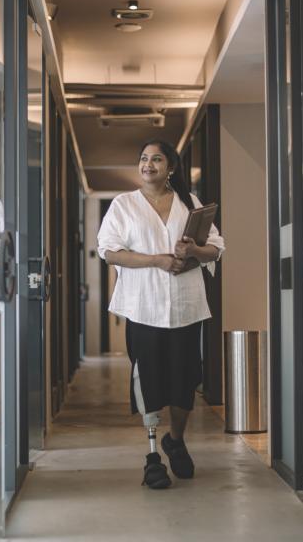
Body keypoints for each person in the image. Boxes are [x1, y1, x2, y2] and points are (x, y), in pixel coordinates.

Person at [97, 140, 225, 489]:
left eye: (156, 159)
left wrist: (193, 250)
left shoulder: (190, 203)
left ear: (171, 167)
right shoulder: (124, 205)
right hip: (144, 307)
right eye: (143, 159)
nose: (148, 164)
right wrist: (157, 260)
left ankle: (176, 440)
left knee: (185, 380)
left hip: (186, 306)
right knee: (149, 381)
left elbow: (215, 248)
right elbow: (109, 252)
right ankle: (153, 455)